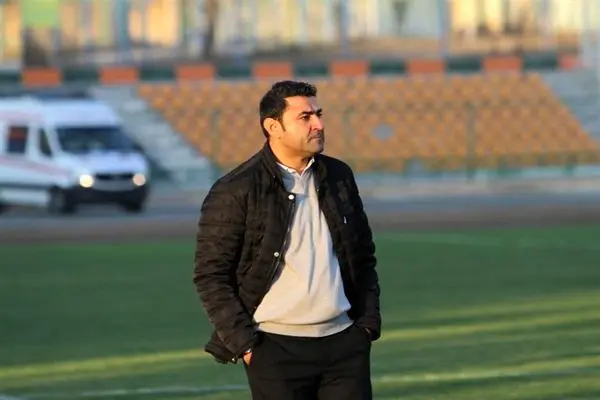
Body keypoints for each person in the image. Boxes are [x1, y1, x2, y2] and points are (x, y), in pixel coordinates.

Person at [193, 80, 381, 400]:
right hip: (274, 349)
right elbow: (210, 274)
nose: (318, 124)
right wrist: (246, 345)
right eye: (305, 117)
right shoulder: (236, 189)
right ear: (273, 127)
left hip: (345, 344)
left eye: (318, 114)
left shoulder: (339, 176)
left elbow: (362, 255)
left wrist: (366, 325)